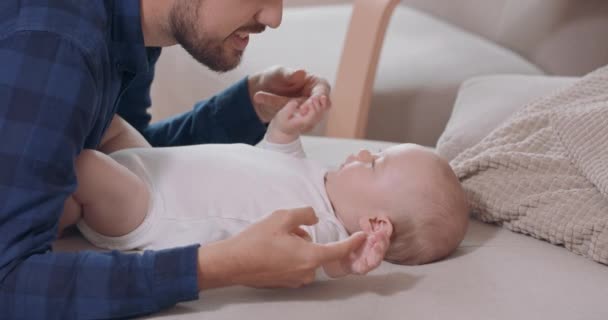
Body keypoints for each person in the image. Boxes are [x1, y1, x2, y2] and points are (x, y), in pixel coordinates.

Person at [0, 1, 368, 319]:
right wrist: (218, 265)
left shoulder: (133, 30)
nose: (275, 16)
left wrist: (248, 106)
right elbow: (8, 281)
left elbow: (136, 163)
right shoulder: (56, 44)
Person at [59, 97, 470, 278]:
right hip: (151, 163)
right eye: (376, 150)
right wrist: (284, 129)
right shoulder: (315, 176)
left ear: (374, 222)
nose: (362, 153)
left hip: (151, 209)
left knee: (83, 167)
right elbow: (274, 155)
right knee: (108, 120)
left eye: (376, 163)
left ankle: (40, 213)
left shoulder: (323, 225)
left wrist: (349, 260)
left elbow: (317, 259)